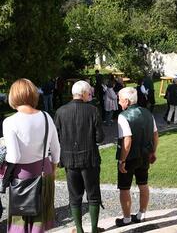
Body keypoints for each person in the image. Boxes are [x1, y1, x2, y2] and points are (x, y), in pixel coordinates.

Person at [3, 78, 60, 232]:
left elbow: (14, 157)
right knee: (39, 223)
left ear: (13, 96)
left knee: (20, 222)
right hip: (44, 172)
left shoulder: (10, 122)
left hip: (22, 177)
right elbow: (56, 149)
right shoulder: (46, 117)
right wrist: (53, 170)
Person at [54, 80, 105, 233]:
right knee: (93, 194)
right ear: (83, 93)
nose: (90, 95)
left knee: (74, 196)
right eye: (89, 92)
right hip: (89, 159)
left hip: (69, 160)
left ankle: (79, 229)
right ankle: (94, 229)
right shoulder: (93, 110)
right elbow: (100, 137)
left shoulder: (60, 111)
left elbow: (56, 137)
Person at [115, 87, 159, 227]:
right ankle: (142, 214)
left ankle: (127, 218)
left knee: (124, 187)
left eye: (120, 100)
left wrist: (122, 160)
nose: (119, 102)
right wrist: (153, 151)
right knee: (143, 183)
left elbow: (127, 140)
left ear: (126, 101)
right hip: (145, 154)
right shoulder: (148, 113)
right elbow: (155, 135)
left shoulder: (123, 116)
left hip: (130, 157)